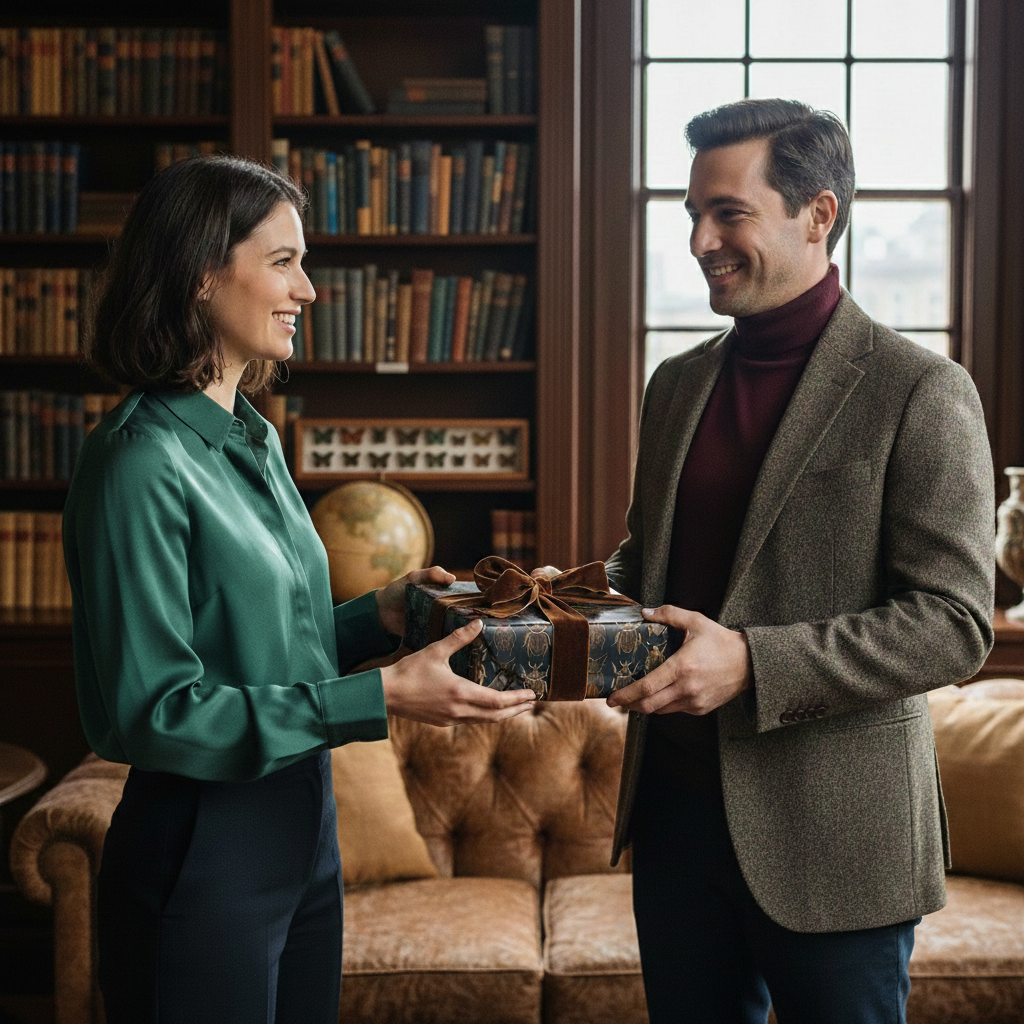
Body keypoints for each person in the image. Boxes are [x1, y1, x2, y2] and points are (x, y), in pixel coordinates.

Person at [62, 154, 537, 1024]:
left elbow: (275, 644)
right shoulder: (136, 460)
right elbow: (154, 712)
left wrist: (379, 616)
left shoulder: (257, 438)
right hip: (203, 848)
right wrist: (382, 697)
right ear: (202, 273)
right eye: (283, 262)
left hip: (306, 834)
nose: (308, 290)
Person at [602, 99, 994, 1022]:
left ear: (818, 214)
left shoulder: (922, 390)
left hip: (838, 842)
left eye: (728, 213)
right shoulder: (676, 384)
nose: (700, 240)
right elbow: (650, 560)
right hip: (674, 823)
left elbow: (954, 622)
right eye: (693, 213)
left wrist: (751, 662)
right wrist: (568, 597)